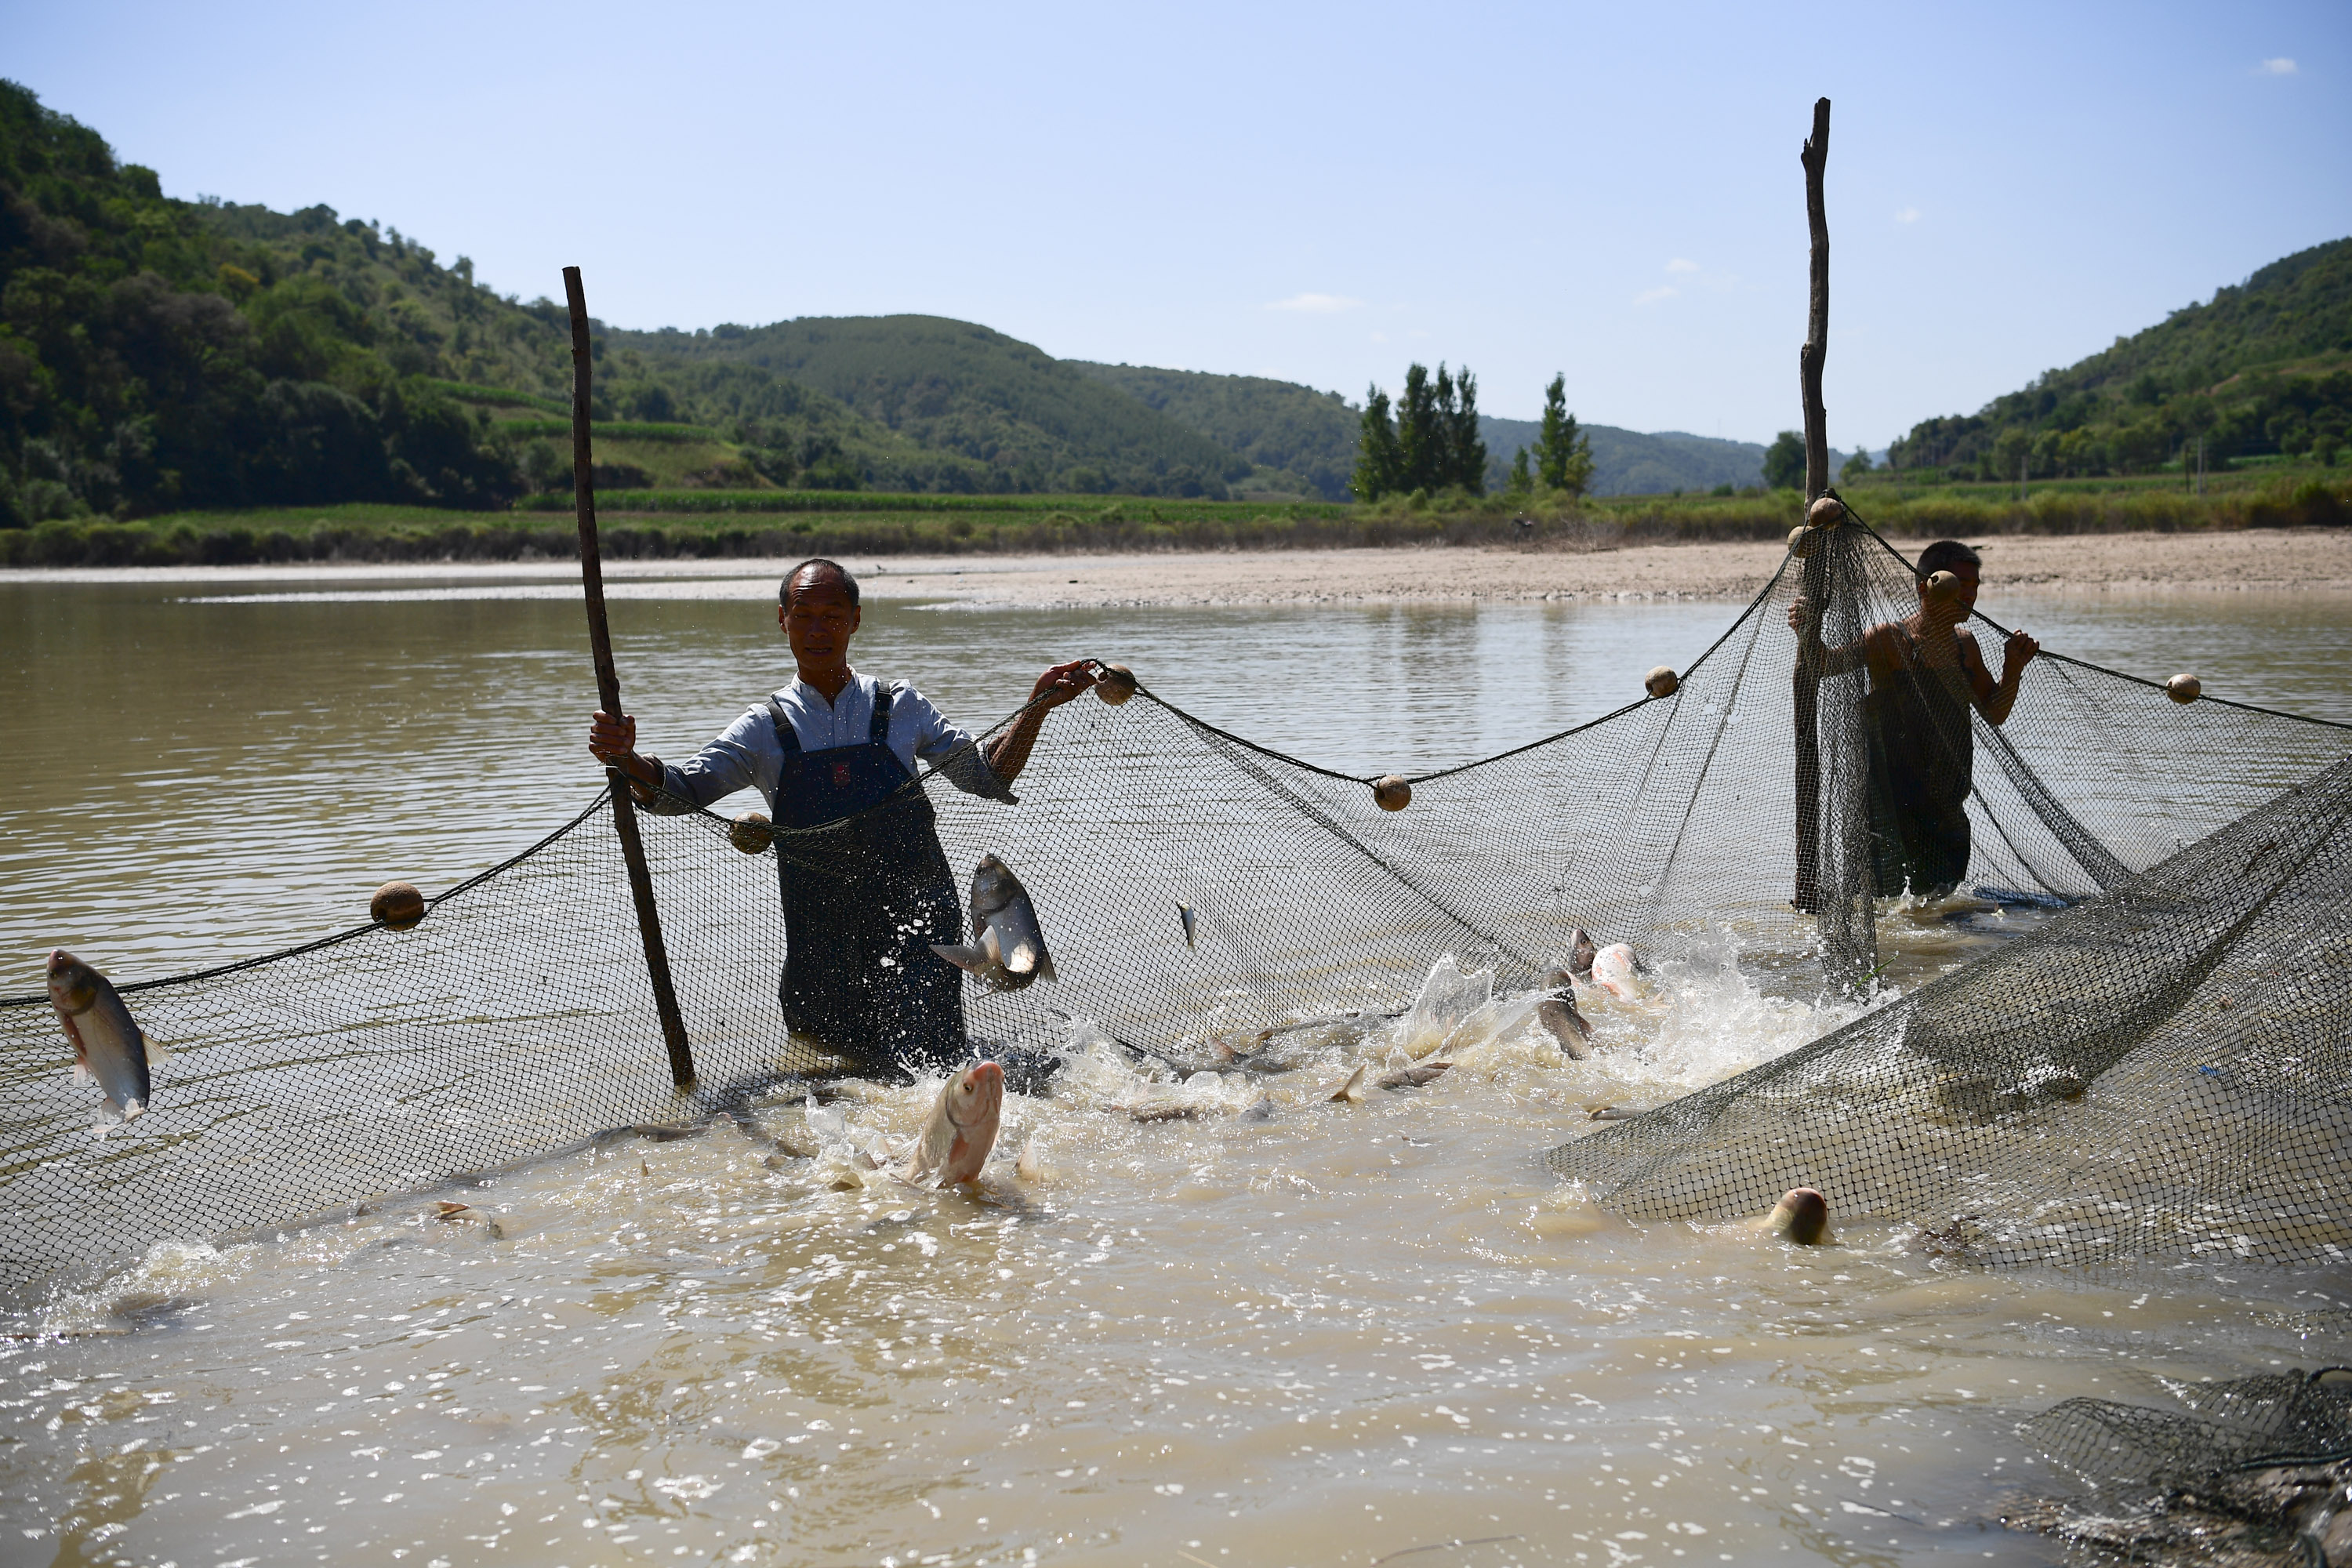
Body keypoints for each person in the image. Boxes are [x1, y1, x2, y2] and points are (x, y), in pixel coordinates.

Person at [586, 558, 1097, 1076]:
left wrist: (1037, 707)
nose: (817, 630)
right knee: (834, 1080)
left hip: (918, 937)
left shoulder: (900, 706)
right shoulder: (764, 728)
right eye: (804, 615)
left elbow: (985, 775)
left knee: (933, 1071)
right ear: (782, 620)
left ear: (855, 620)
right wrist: (627, 760)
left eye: (832, 615)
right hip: (822, 946)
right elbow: (682, 791)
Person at [1789, 536, 2039, 898]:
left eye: (1974, 587)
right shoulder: (1891, 640)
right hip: (1886, 800)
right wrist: (1806, 629)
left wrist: (2013, 668)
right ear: (1926, 587)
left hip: (1943, 803)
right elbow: (1825, 663)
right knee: (1882, 899)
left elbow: (1994, 711)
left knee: (1938, 906)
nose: (1968, 596)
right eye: (1960, 585)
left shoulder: (1964, 646)